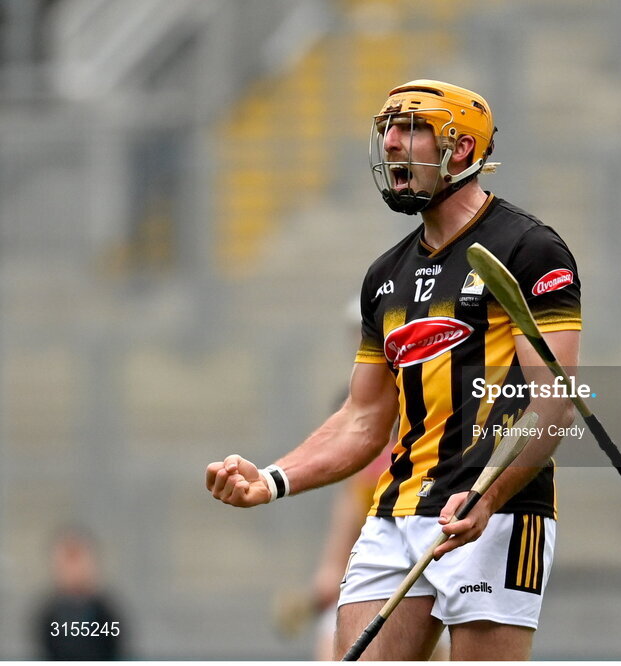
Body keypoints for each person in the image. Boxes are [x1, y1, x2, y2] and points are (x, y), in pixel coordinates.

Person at [206, 79, 582, 661]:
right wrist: (273, 478)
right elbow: (362, 419)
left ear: (460, 150)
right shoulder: (384, 277)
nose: (391, 145)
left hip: (495, 513)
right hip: (396, 512)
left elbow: (552, 405)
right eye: (388, 131)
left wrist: (487, 496)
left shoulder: (530, 248)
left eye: (412, 130)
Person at [34, 526, 127, 660]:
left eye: (77, 559)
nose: (73, 569)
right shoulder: (48, 615)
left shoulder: (106, 612)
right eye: (68, 560)